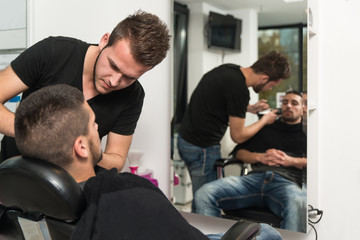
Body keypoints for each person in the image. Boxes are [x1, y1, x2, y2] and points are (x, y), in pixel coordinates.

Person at [13, 84, 282, 240]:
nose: (98, 129)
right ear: (81, 146)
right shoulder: (127, 196)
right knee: (267, 233)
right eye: (94, 125)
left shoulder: (23, 197)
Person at [0, 10, 171, 172]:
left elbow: (117, 161)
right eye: (113, 65)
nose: (114, 81)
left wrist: (89, 148)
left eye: (129, 77)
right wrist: (40, 134)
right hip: (12, 175)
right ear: (104, 40)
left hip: (65, 191)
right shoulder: (53, 52)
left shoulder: (132, 95)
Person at [177, 51, 291, 197]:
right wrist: (264, 120)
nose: (269, 89)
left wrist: (249, 108)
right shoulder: (240, 90)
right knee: (205, 200)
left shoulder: (230, 70)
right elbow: (238, 136)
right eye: (271, 86)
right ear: (264, 78)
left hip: (185, 139)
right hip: (202, 149)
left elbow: (219, 102)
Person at [193, 90, 307, 233]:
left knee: (299, 204)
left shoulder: (308, 132)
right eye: (285, 102)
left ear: (303, 108)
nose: (288, 106)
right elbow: (239, 153)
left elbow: (316, 163)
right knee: (204, 193)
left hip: (288, 182)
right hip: (255, 179)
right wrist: (260, 157)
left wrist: (290, 161)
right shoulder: (266, 127)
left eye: (294, 103)